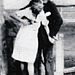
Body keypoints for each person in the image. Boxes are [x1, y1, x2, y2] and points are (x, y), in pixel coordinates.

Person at [11, 0, 51, 75]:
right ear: (33, 6)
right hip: (23, 38)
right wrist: (22, 21)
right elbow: (13, 14)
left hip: (32, 40)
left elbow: (45, 25)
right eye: (38, 7)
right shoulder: (27, 10)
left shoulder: (41, 12)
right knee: (22, 59)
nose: (40, 9)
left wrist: (49, 36)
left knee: (30, 60)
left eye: (41, 7)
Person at [34, 0, 63, 75]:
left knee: (48, 60)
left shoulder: (51, 5)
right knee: (35, 60)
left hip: (47, 37)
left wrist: (52, 33)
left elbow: (59, 20)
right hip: (34, 37)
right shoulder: (34, 2)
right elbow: (22, 12)